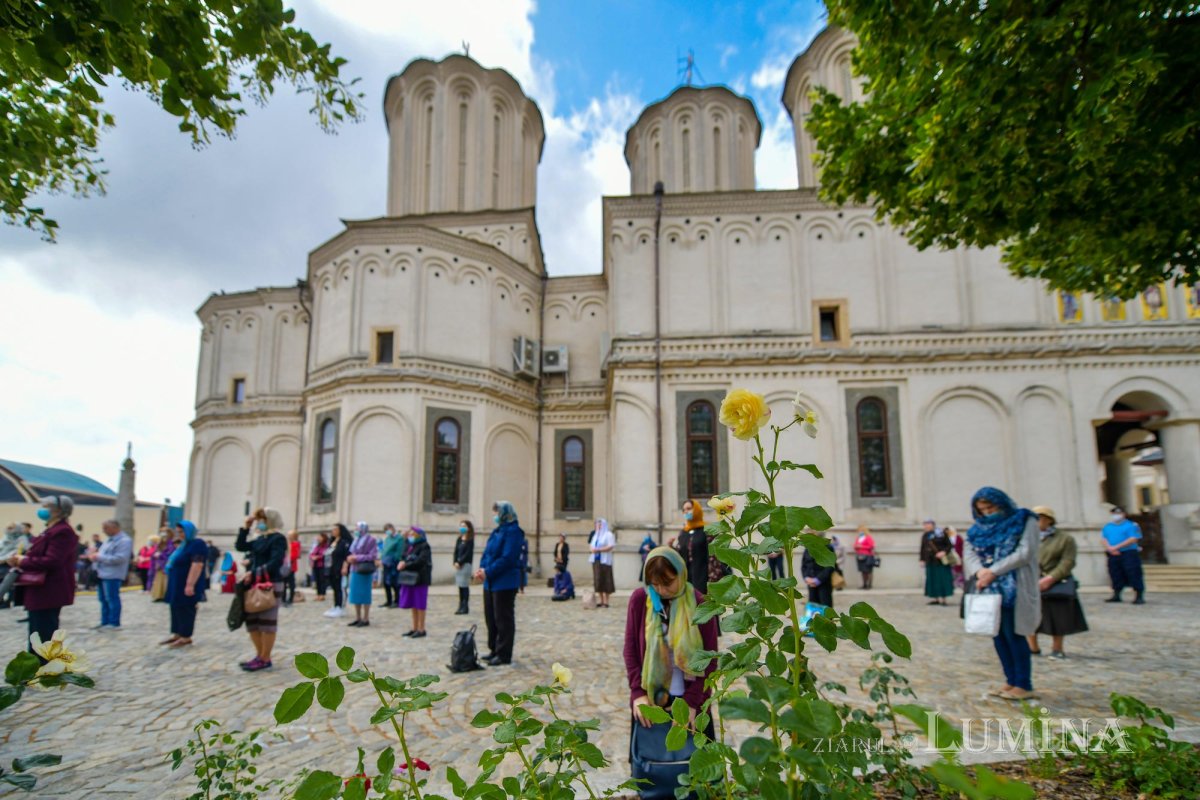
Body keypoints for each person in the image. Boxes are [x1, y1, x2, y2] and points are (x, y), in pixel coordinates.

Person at [624, 546, 718, 733]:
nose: (661, 590)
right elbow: (630, 650)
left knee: (692, 752)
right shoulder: (640, 600)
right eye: (655, 584)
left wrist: (691, 703)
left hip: (691, 701)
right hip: (650, 701)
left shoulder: (700, 604)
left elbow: (710, 659)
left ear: (681, 574)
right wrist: (638, 693)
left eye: (667, 583)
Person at [963, 487, 1041, 701]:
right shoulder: (977, 529)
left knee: (1014, 634)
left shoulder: (1024, 520)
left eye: (991, 507)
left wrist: (994, 571)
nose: (988, 512)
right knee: (998, 635)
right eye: (983, 509)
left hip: (1014, 586)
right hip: (988, 588)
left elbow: (1025, 552)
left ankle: (1023, 683)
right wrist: (980, 572)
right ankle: (1010, 679)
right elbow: (969, 552)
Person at [7, 496, 79, 655]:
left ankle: (43, 666)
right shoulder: (50, 529)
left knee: (44, 633)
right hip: (39, 589)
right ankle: (35, 665)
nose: (42, 509)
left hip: (49, 589)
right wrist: (21, 558)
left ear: (58, 510)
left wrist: (23, 561)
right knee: (36, 633)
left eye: (46, 506)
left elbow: (52, 561)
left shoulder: (63, 531)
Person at [1027, 506, 1088, 660]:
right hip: (1030, 580)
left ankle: (1057, 648)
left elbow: (1068, 561)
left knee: (1058, 616)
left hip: (1056, 580)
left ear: (1049, 520)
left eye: (1039, 518)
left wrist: (1051, 578)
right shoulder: (1025, 537)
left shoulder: (1065, 539)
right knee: (1029, 615)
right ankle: (1032, 647)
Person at [235, 507, 288, 672]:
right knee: (252, 622)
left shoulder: (278, 538)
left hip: (270, 584)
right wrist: (246, 528)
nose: (259, 523)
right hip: (254, 584)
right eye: (258, 520)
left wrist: (254, 572)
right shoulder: (259, 539)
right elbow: (241, 546)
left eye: (261, 520)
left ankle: (265, 657)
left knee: (267, 622)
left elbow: (276, 561)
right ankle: (259, 655)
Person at [474, 501, 525, 666]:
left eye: (497, 512)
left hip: (505, 582)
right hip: (490, 582)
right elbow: (487, 553)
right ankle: (494, 649)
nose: (495, 516)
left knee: (503, 618)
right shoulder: (497, 531)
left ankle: (504, 653)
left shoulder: (514, 532)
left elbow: (508, 558)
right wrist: (482, 569)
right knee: (491, 617)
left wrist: (488, 571)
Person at [162, 521, 208, 648]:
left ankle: (185, 636)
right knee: (175, 606)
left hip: (187, 581)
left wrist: (190, 584)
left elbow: (197, 564)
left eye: (182, 532)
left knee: (186, 607)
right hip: (176, 582)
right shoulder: (183, 545)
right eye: (178, 532)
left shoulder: (197, 544)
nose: (180, 534)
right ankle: (177, 633)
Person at [90, 519, 132, 629]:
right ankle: (105, 621)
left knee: (112, 598)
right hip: (101, 573)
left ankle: (114, 622)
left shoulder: (124, 541)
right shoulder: (108, 540)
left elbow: (120, 558)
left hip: (113, 574)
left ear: (114, 527)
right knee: (103, 599)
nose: (104, 531)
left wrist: (99, 557)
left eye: (106, 528)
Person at [1102, 506, 1145, 604]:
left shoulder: (1131, 525)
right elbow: (1104, 538)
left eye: (1118, 513)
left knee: (1133, 573)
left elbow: (1133, 538)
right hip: (1113, 553)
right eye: (1114, 514)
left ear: (1124, 514)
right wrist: (1110, 548)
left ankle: (1139, 595)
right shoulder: (1108, 526)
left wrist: (1116, 547)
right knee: (1115, 573)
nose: (1116, 516)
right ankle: (1116, 594)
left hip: (1128, 552)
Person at [397, 526, 432, 636]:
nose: (410, 536)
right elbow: (403, 556)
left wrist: (406, 564)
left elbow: (421, 561)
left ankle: (421, 629)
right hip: (410, 578)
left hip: (420, 578)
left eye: (413, 534)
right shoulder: (409, 545)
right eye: (409, 534)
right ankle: (414, 627)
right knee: (413, 604)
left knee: (420, 604)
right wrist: (402, 562)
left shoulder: (424, 546)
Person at [672, 499, 709, 595]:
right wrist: (671, 546)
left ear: (696, 510)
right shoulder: (684, 532)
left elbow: (713, 557)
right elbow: (680, 554)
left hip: (703, 577)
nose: (686, 512)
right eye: (684, 510)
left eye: (689, 508)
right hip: (686, 578)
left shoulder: (707, 530)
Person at [346, 522, 378, 627]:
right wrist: (350, 558)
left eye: (357, 528)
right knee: (355, 594)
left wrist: (357, 558)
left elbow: (372, 556)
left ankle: (366, 618)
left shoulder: (371, 540)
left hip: (364, 570)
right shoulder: (356, 539)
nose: (356, 530)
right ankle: (357, 617)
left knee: (364, 594)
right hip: (355, 569)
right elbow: (352, 552)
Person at [919, 519, 954, 605]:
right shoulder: (925, 535)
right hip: (930, 561)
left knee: (942, 580)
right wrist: (922, 559)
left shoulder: (941, 533)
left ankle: (943, 599)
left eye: (928, 524)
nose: (926, 526)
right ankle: (936, 598)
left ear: (933, 525)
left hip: (941, 562)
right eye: (925, 524)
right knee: (932, 580)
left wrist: (943, 552)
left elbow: (949, 545)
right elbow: (923, 548)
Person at [0, 523, 31, 609]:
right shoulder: (6, 537)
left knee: (6, 583)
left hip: (11, 565)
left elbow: (18, 552)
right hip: (2, 563)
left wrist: (4, 559)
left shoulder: (22, 539)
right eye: (9, 527)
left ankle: (7, 601)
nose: (9, 529)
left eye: (11, 528)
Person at [800, 532, 836, 607]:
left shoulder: (828, 547)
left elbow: (830, 566)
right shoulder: (808, 548)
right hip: (810, 582)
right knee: (813, 607)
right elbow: (804, 565)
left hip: (824, 582)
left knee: (825, 607)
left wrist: (817, 580)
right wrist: (806, 578)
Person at [324, 524, 352, 618]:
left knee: (340, 587)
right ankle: (336, 605)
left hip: (340, 567)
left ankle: (341, 607)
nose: (333, 531)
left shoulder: (344, 542)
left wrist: (345, 566)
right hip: (331, 567)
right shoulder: (332, 542)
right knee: (335, 587)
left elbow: (346, 555)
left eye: (335, 529)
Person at [590, 518, 616, 608]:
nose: (598, 526)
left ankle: (606, 601)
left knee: (606, 580)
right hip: (596, 560)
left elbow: (611, 546)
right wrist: (592, 549)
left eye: (600, 524)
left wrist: (598, 549)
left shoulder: (608, 534)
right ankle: (601, 600)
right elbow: (591, 545)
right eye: (597, 524)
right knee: (598, 580)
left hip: (605, 561)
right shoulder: (596, 535)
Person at [380, 523, 404, 609]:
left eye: (388, 529)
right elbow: (384, 550)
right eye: (386, 530)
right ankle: (388, 600)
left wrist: (396, 560)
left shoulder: (399, 538)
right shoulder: (387, 538)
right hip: (386, 563)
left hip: (394, 563)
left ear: (392, 528)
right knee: (386, 582)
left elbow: (399, 551)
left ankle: (397, 600)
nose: (387, 531)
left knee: (395, 583)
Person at [453, 521, 474, 615]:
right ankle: (460, 605)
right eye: (461, 526)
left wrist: (460, 562)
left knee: (464, 585)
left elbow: (468, 553)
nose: (462, 527)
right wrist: (455, 562)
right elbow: (456, 552)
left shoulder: (470, 540)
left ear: (468, 528)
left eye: (464, 526)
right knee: (460, 586)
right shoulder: (459, 539)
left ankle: (465, 606)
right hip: (458, 566)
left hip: (466, 565)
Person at [309, 531, 330, 601]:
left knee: (322, 580)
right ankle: (318, 594)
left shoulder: (326, 546)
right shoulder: (317, 545)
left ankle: (322, 594)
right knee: (317, 580)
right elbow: (312, 552)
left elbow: (325, 554)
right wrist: (312, 557)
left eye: (320, 537)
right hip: (316, 565)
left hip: (322, 565)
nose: (318, 538)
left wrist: (317, 557)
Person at [854, 525, 876, 589]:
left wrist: (862, 547)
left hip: (868, 556)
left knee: (868, 571)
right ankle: (864, 584)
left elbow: (871, 546)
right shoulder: (859, 538)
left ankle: (869, 585)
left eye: (861, 530)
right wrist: (856, 546)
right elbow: (855, 546)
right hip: (860, 556)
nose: (859, 532)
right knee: (863, 571)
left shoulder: (868, 537)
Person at [148, 534, 170, 601]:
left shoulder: (169, 546)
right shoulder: (158, 546)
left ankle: (165, 596)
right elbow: (153, 556)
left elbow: (169, 555)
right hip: (158, 566)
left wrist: (161, 555)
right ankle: (157, 596)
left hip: (165, 566)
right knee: (157, 581)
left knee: (165, 581)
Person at [282, 531, 300, 606]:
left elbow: (295, 555)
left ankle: (290, 598)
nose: (288, 536)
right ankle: (283, 598)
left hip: (291, 566)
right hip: (284, 566)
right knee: (284, 583)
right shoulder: (285, 544)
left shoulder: (295, 544)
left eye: (290, 535)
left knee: (291, 583)